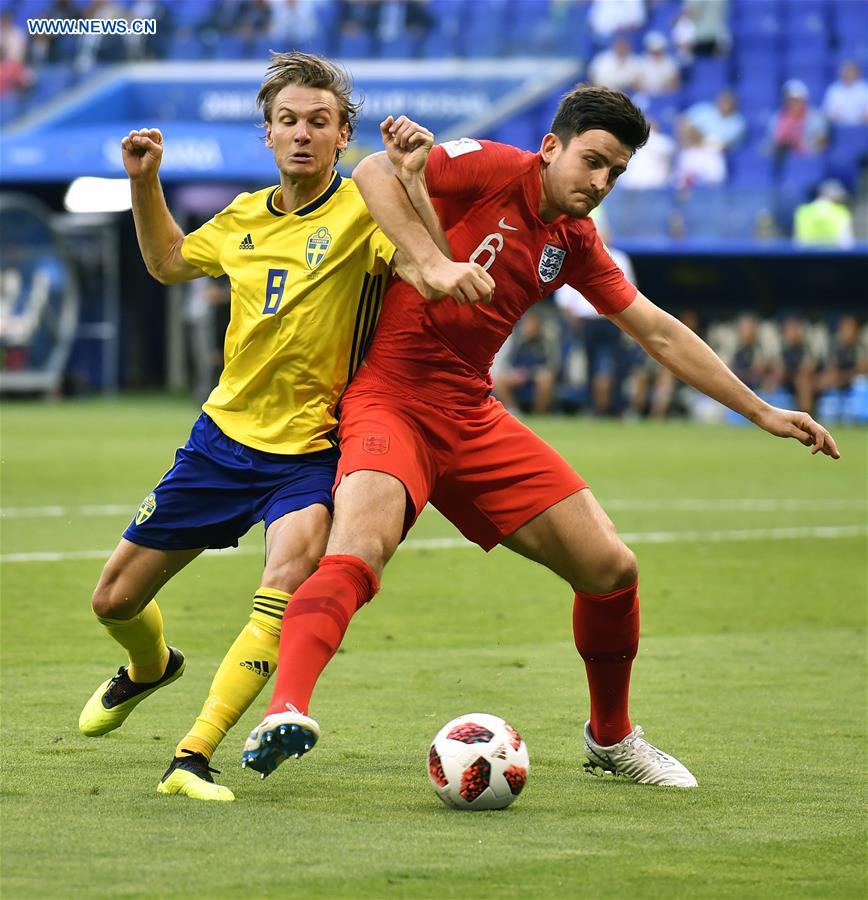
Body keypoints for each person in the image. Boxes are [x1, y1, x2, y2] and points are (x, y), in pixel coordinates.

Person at [242, 86, 839, 788]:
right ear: (552, 147)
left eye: (614, 172)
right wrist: (432, 266)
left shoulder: (574, 241)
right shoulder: (494, 167)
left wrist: (761, 410)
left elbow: (655, 329)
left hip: (470, 412)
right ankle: (285, 712)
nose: (599, 182)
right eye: (591, 161)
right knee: (356, 554)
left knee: (611, 569)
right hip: (391, 399)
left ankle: (611, 741)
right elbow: (373, 171)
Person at [77, 51, 491, 803]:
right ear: (267, 136)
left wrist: (412, 180)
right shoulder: (240, 217)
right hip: (220, 443)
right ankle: (149, 667)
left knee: (284, 588)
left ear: (343, 137)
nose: (303, 134)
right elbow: (169, 262)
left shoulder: (366, 214)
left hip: (309, 450)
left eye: (320, 122)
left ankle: (192, 756)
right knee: (113, 601)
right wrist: (144, 182)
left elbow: (432, 264)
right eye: (288, 121)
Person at [493, 308, 561, 414]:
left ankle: (539, 414)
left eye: (532, 323)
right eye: (527, 323)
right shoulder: (516, 340)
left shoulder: (547, 341)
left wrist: (529, 373)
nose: (529, 327)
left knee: (546, 379)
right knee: (499, 380)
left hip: (537, 376)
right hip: (517, 375)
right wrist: (513, 373)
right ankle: (513, 411)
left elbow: (553, 365)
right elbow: (506, 361)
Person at [794, 179, 855, 248]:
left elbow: (798, 242)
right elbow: (847, 243)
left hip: (807, 256)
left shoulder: (803, 211)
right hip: (834, 256)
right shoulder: (842, 212)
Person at [682, 89, 746, 151]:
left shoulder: (738, 122)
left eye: (728, 102)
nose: (725, 104)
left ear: (734, 104)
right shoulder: (704, 108)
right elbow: (683, 122)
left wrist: (699, 138)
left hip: (715, 154)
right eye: (723, 100)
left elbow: (722, 145)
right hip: (691, 147)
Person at [822, 60, 868, 127]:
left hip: (863, 125)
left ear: (857, 72)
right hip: (838, 126)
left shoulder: (865, 88)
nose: (848, 73)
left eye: (851, 71)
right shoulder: (834, 89)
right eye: (846, 71)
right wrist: (835, 117)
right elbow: (827, 111)